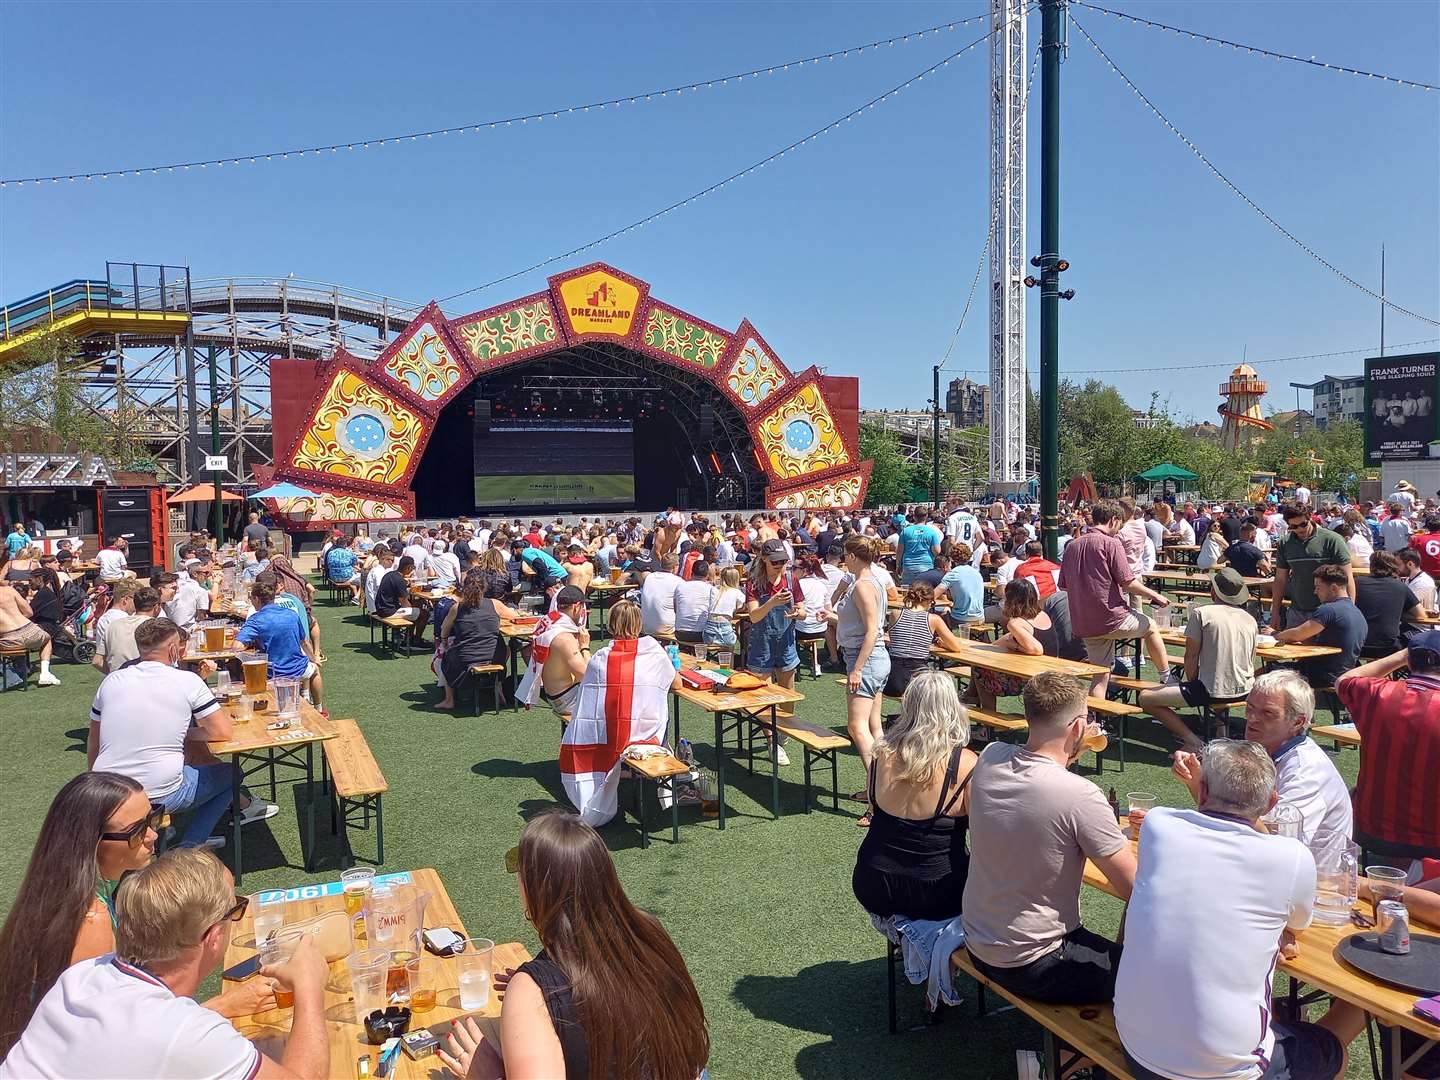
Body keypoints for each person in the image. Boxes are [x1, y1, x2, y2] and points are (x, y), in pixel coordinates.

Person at [1113, 739, 1346, 1080]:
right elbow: (1298, 923)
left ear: (1202, 790)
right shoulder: (1292, 857)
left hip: (1136, 1047)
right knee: (1333, 1046)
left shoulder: (1158, 824)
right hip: (1226, 1070)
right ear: (1270, 803)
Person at [0, 772, 277, 1057]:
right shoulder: (90, 921)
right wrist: (221, 1007)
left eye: (153, 818)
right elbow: (108, 1043)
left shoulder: (58, 890)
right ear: (92, 842)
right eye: (137, 831)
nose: (152, 835)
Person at [0, 846, 331, 1080]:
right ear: (214, 936)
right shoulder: (187, 1033)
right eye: (235, 911)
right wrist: (309, 986)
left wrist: (223, 1006)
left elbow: (137, 1039)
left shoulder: (80, 978)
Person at [439, 811, 708, 1080]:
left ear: (533, 887)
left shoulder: (531, 991)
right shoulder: (648, 930)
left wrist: (489, 1075)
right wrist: (547, 995)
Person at [962, 672, 1134, 1002]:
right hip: (1035, 961)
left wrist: (1070, 750)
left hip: (979, 942)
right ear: (1078, 727)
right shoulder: (1080, 795)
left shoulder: (990, 756)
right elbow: (1134, 889)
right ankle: (1073, 1055)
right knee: (1154, 976)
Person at [89, 617, 276, 846]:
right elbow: (222, 731)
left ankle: (175, 839)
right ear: (172, 649)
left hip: (103, 790)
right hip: (157, 793)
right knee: (232, 774)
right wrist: (186, 734)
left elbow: (93, 741)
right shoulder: (187, 680)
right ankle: (190, 846)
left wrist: (93, 779)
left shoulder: (111, 681)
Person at [1172, 670, 1351, 845]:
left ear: (1298, 722)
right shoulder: (1265, 750)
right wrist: (1195, 780)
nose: (1252, 718)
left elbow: (1277, 841)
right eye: (1249, 708)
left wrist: (1204, 789)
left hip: (1315, 871)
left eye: (1267, 713)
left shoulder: (1304, 772)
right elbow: (1227, 816)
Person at [853, 670, 977, 921]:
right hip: (937, 891)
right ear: (953, 708)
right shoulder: (966, 764)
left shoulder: (880, 754)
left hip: (873, 882)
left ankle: (904, 939)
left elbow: (874, 806)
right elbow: (982, 835)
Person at [560, 602, 682, 825]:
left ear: (611, 624)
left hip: (608, 735)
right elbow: (677, 683)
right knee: (662, 716)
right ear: (639, 623)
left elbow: (589, 695)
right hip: (648, 736)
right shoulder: (655, 651)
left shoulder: (601, 657)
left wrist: (585, 647)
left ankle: (619, 774)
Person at [1335, 633, 1440, 859]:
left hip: (1373, 832)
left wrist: (1402, 656)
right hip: (1433, 841)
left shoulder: (1377, 694)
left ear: (1410, 661)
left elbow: (1344, 681)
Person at [1056, 500, 1173, 699]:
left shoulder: (1072, 546)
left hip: (1084, 623)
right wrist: (1155, 595)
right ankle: (1167, 678)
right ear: (1114, 519)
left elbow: (1063, 586)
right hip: (1112, 618)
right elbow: (1128, 581)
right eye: (1120, 524)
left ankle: (1096, 722)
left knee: (1100, 676)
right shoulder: (1111, 543)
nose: (1120, 529)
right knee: (1151, 626)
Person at [1138, 568, 1257, 751]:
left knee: (1145, 698)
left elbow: (1191, 656)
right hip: (1245, 688)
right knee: (1218, 674)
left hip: (1210, 690)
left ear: (1213, 591)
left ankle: (1193, 741)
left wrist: (1191, 683)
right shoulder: (1250, 619)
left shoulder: (1202, 613)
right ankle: (1220, 731)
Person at [833, 537, 889, 813]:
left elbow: (872, 631)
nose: (844, 558)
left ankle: (877, 797)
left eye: (846, 554)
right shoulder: (870, 582)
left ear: (854, 556)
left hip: (865, 658)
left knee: (857, 727)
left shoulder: (863, 586)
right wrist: (830, 617)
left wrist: (856, 668)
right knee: (874, 727)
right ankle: (879, 786)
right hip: (870, 658)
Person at [974, 580, 1085, 711]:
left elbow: (1036, 649)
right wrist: (995, 645)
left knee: (979, 669)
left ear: (1010, 599)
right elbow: (1011, 638)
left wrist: (1015, 647)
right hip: (1049, 670)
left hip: (1032, 678)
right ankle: (973, 698)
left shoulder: (1016, 623)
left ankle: (988, 719)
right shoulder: (1042, 614)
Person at [744, 539, 807, 737]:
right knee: (764, 693)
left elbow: (803, 610)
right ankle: (771, 737)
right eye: (775, 562)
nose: (780, 566)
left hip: (786, 639)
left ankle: (783, 732)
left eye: (783, 562)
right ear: (764, 559)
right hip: (762, 641)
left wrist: (799, 613)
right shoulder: (754, 582)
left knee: (788, 691)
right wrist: (771, 602)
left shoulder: (791, 579)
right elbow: (754, 616)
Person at [1272, 563, 1367, 687]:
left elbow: (1298, 634)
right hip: (1346, 672)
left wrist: (1274, 635)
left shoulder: (1329, 610)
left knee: (1263, 672)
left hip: (1323, 674)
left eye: (1318, 587)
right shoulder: (1357, 612)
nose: (1315, 591)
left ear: (1333, 588)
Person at [237, 578, 323, 712]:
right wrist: (314, 659)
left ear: (256, 599)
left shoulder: (255, 620)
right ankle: (319, 708)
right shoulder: (291, 614)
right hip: (298, 668)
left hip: (271, 673)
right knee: (315, 671)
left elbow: (237, 646)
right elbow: (304, 642)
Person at [437, 573, 519, 711]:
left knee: (445, 656)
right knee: (506, 649)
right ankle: (497, 683)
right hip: (494, 657)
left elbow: (444, 630)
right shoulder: (495, 604)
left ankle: (449, 700)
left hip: (465, 658)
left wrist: (444, 642)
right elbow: (514, 616)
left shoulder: (457, 607)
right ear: (485, 587)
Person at [1270, 505, 1353, 630]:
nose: (1299, 529)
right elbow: (1280, 579)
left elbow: (1347, 578)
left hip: (1328, 612)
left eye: (1303, 524)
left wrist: (1350, 611)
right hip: (1297, 611)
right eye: (1293, 527)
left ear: (1311, 519)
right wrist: (1275, 612)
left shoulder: (1332, 540)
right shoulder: (1284, 543)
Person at [515, 585, 590, 718]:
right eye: (583, 608)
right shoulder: (564, 637)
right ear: (576, 606)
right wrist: (585, 646)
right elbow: (588, 674)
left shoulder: (549, 621)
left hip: (554, 695)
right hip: (567, 700)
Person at [884, 582, 964, 699]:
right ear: (929, 601)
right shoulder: (934, 619)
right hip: (918, 679)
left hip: (892, 677)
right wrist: (943, 645)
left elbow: (893, 638)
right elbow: (956, 647)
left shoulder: (895, 614)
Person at [1352, 549, 1424, 657]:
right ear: (1393, 566)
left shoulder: (1356, 583)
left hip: (1357, 645)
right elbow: (1420, 614)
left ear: (1371, 566)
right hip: (1387, 647)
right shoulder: (1400, 586)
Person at [0, 577, 60, 685]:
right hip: (30, 630)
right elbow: (29, 612)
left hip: (9, 638)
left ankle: (12, 675)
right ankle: (45, 673)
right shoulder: (9, 590)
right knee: (46, 639)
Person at [375, 554, 429, 646]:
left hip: (381, 608)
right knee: (424, 614)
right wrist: (414, 610)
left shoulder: (390, 574)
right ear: (409, 567)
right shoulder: (399, 580)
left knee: (416, 608)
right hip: (389, 612)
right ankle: (417, 640)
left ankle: (410, 636)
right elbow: (404, 602)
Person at [934, 542, 985, 625]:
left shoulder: (953, 574)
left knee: (937, 617)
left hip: (961, 618)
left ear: (952, 558)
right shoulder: (977, 573)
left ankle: (945, 638)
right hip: (980, 617)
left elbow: (934, 595)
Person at [165, 554, 217, 632]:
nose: (208, 576)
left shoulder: (179, 582)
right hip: (189, 629)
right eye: (206, 573)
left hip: (170, 627)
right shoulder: (200, 591)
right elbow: (201, 618)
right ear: (195, 574)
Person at [671, 561, 717, 646]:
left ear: (692, 573)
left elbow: (676, 609)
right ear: (707, 575)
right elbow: (715, 612)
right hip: (702, 634)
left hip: (680, 633)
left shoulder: (680, 586)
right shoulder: (711, 589)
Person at [639, 553, 684, 638]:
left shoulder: (649, 577)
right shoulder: (678, 581)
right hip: (666, 627)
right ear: (675, 566)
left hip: (646, 625)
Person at [897, 513, 943, 585]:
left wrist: (898, 565)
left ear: (914, 517)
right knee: (923, 591)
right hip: (926, 566)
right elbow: (937, 551)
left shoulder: (905, 531)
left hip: (909, 565)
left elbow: (900, 551)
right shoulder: (931, 532)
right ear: (926, 517)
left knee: (908, 591)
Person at [1398, 546, 1437, 614]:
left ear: (1410, 564)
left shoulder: (1424, 582)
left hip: (1421, 623)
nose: (1397, 568)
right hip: (1410, 621)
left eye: (1399, 565)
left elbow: (1405, 606)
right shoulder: (1410, 579)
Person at [324, 534, 362, 604]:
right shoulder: (348, 552)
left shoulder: (330, 553)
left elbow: (328, 564)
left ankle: (354, 596)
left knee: (355, 577)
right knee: (364, 579)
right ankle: (356, 597)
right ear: (345, 544)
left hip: (333, 577)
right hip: (346, 577)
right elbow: (354, 563)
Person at [363, 544, 394, 614]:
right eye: (389, 559)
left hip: (376, 604)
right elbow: (382, 589)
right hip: (379, 607)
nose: (391, 562)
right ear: (381, 559)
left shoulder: (380, 569)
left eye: (392, 560)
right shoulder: (379, 571)